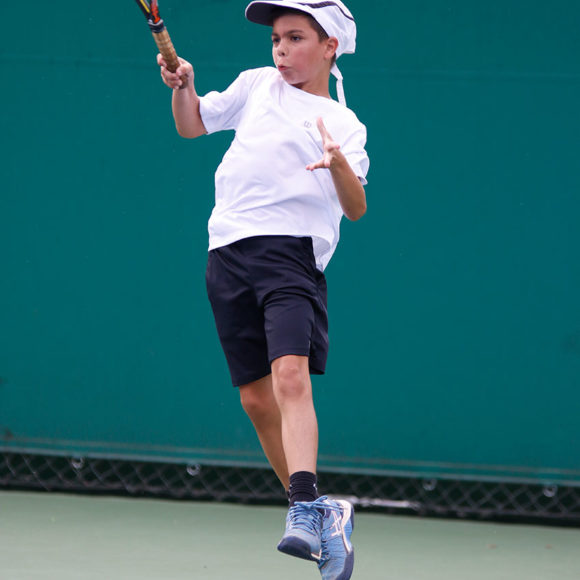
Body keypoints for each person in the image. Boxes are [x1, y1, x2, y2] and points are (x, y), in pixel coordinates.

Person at [157, 1, 369, 578]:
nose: (280, 50)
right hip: (227, 252)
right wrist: (185, 86)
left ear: (329, 47)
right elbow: (191, 124)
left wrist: (337, 164)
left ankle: (302, 506)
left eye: (295, 37)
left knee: (290, 376)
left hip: (290, 256)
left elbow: (356, 207)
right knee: (255, 400)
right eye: (276, 38)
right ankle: (323, 512)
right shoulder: (256, 86)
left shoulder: (345, 124)